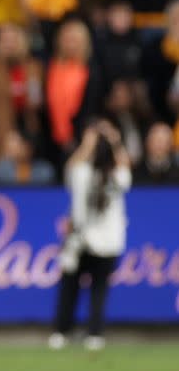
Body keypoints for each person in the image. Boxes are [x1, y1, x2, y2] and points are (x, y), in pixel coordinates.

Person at [49, 121, 131, 352]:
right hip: (106, 242)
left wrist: (87, 143)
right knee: (98, 288)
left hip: (81, 239)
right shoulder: (117, 174)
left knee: (70, 288)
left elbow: (72, 165)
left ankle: (61, 332)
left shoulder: (82, 172)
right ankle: (94, 334)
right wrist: (114, 140)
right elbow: (126, 165)